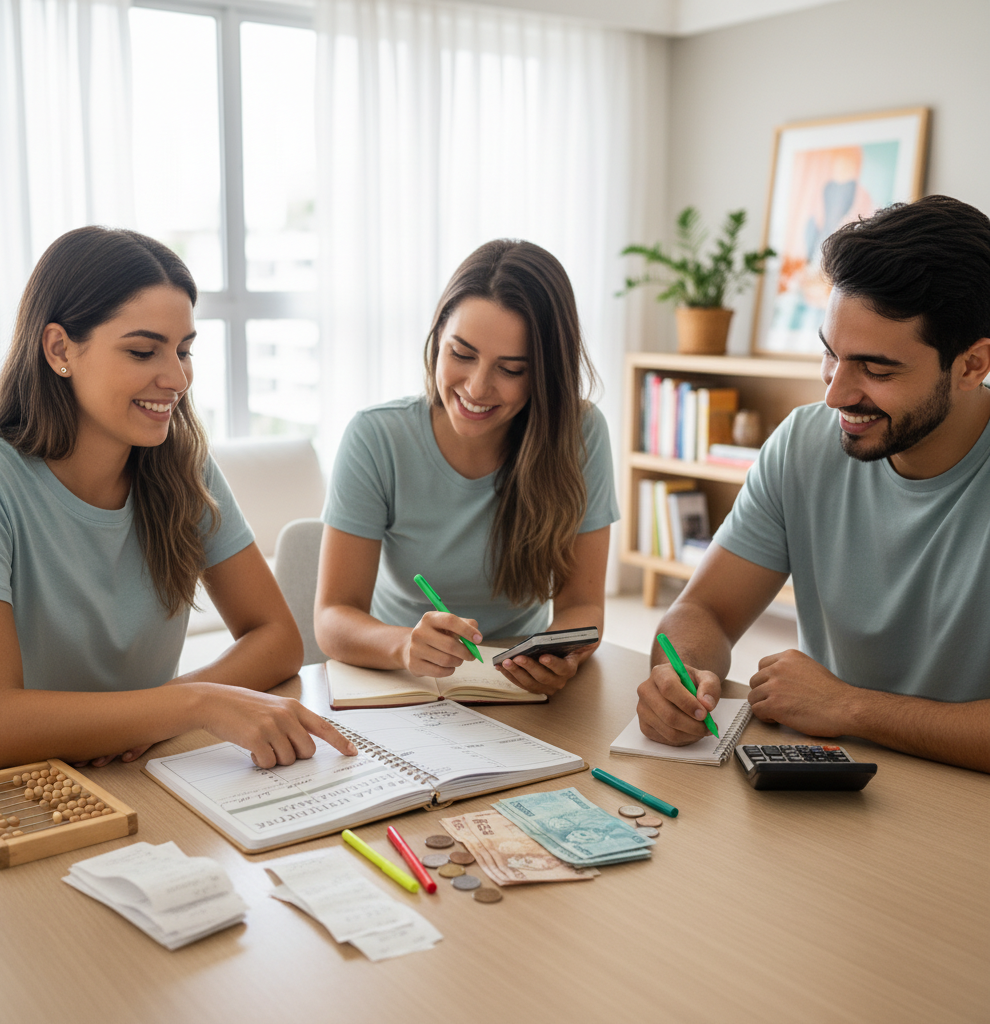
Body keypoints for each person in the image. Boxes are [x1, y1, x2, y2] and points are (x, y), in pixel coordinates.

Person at [0, 227, 355, 771]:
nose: (176, 378)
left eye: (184, 350)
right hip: (29, 797)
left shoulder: (183, 465)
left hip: (147, 775)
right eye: (144, 350)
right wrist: (187, 705)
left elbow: (278, 639)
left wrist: (169, 712)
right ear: (59, 349)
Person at [636, 195, 990, 774]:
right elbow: (705, 610)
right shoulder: (804, 443)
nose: (835, 395)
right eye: (831, 355)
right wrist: (681, 675)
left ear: (972, 365)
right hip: (825, 781)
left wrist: (850, 706)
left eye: (876, 370)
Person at [315, 239, 619, 694]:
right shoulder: (376, 436)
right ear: (438, 337)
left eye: (511, 369)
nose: (477, 387)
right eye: (461, 354)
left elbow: (582, 606)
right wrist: (403, 647)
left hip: (519, 687)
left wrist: (559, 651)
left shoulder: (580, 434)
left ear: (544, 373)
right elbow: (333, 617)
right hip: (404, 682)